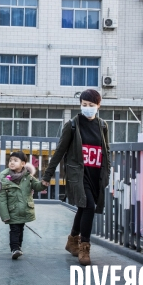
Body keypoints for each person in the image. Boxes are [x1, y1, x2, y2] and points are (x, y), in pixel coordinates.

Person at [41, 89, 110, 266]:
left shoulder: (102, 125)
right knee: (89, 206)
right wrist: (47, 175)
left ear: (98, 106)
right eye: (84, 105)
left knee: (83, 206)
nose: (87, 108)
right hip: (78, 175)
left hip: (96, 175)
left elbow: (106, 151)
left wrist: (107, 173)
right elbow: (60, 151)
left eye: (91, 105)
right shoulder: (72, 125)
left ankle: (72, 240)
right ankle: (84, 247)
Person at [0, 151, 47, 259]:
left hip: (24, 209)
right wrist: (4, 215)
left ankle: (18, 248)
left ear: (23, 164)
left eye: (15, 161)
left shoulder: (28, 177)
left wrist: (43, 185)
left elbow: (36, 186)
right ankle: (14, 248)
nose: (12, 162)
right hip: (12, 211)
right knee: (15, 229)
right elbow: (1, 199)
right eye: (10, 160)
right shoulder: (4, 178)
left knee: (20, 229)